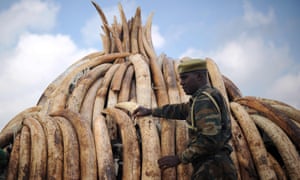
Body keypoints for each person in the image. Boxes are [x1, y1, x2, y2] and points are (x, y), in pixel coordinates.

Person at [133, 59, 237, 179]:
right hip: (213, 165)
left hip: (213, 168)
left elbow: (209, 140)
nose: (181, 83)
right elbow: (181, 110)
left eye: (185, 78)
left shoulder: (205, 100)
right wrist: (150, 111)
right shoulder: (202, 98)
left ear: (199, 76)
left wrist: (180, 158)